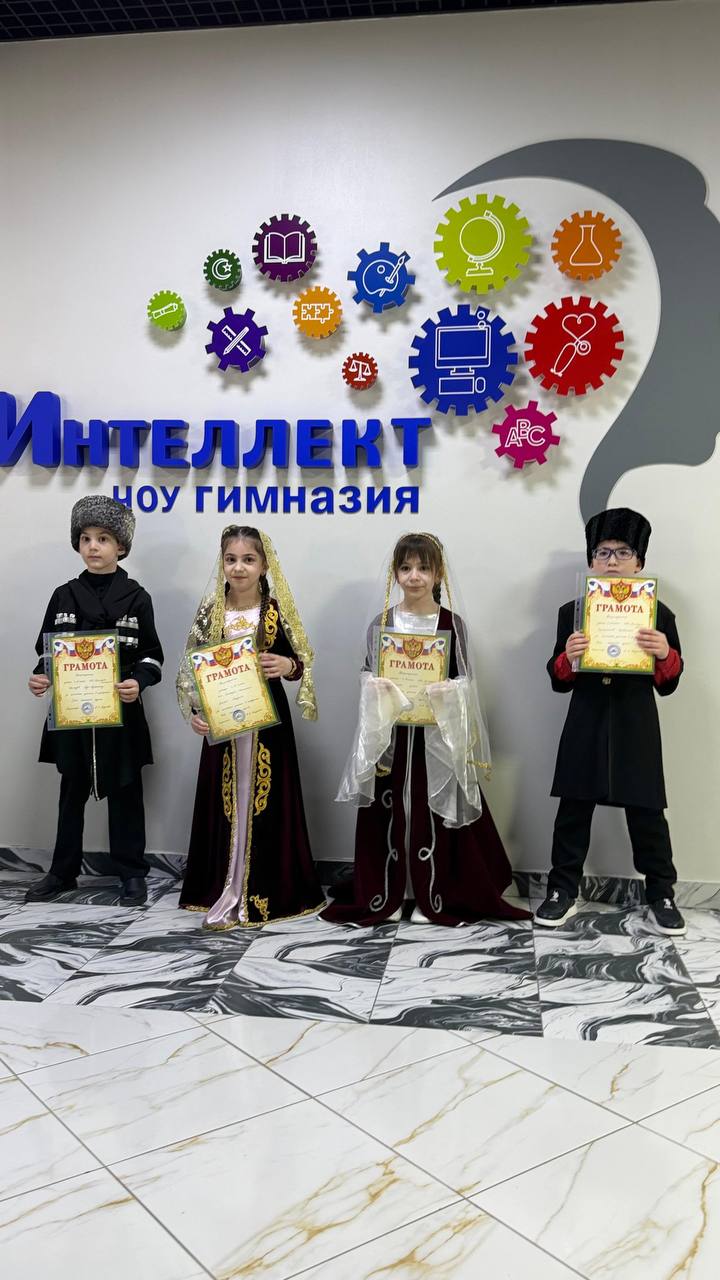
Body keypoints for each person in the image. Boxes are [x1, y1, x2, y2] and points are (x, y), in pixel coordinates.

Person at [323, 532, 527, 927]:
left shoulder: (451, 624)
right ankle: (390, 892)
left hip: (435, 735)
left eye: (423, 568)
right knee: (391, 806)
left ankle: (434, 892)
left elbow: (464, 680)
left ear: (438, 574)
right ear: (395, 573)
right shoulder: (383, 623)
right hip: (393, 734)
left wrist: (448, 691)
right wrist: (374, 685)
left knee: (428, 806)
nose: (414, 576)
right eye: (406, 567)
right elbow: (366, 671)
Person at [535, 507, 686, 935]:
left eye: (623, 552)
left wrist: (664, 653)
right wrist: (568, 657)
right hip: (587, 718)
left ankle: (662, 894)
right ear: (591, 561)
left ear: (639, 562)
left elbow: (670, 682)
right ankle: (561, 890)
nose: (613, 561)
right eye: (603, 552)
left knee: (647, 813)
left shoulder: (659, 614)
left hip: (635, 722)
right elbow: (557, 679)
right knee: (573, 809)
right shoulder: (573, 611)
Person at [176, 525, 324, 929]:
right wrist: (196, 711)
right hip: (222, 724)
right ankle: (223, 883)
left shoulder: (274, 610)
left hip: (267, 724)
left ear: (264, 565)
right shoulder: (211, 612)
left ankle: (263, 888)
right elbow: (192, 670)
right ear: (222, 563)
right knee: (226, 798)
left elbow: (301, 661)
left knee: (264, 798)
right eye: (231, 559)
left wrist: (287, 665)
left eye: (248, 559)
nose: (238, 568)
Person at [26, 495, 164, 905]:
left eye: (103, 538)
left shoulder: (137, 597)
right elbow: (47, 652)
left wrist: (138, 681)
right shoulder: (63, 596)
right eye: (85, 538)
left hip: (120, 714)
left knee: (126, 793)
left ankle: (132, 872)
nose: (93, 546)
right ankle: (62, 871)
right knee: (70, 794)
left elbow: (152, 655)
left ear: (121, 546)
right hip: (72, 715)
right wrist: (41, 677)